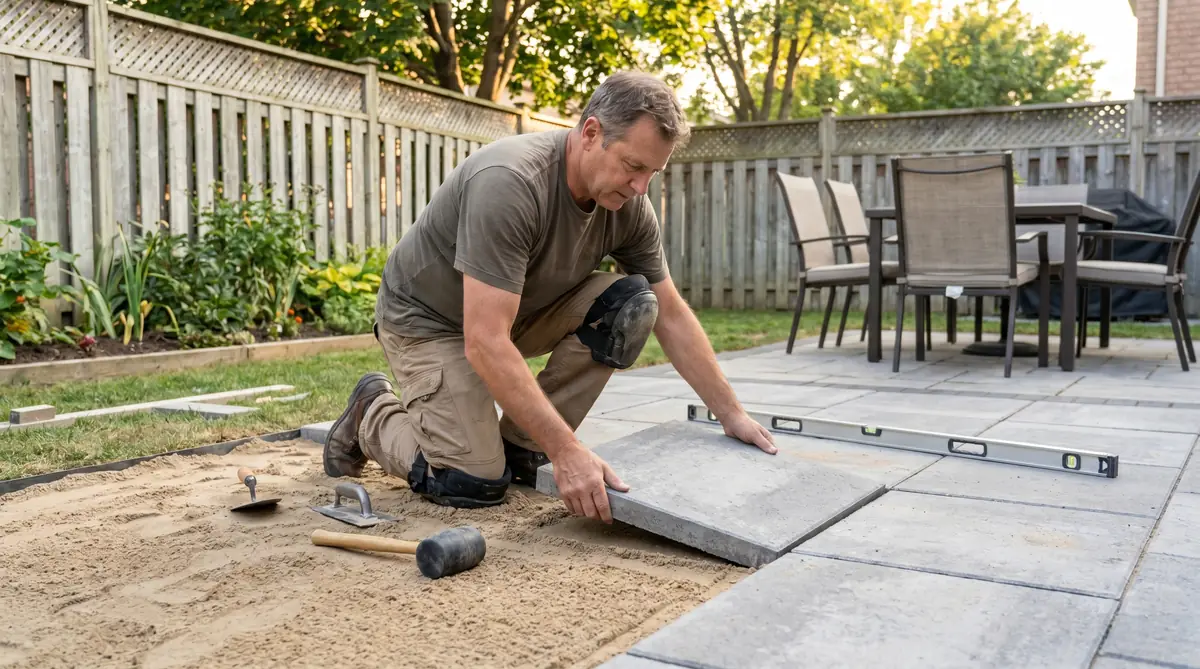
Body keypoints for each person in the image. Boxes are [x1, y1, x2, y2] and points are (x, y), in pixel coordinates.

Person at [322, 70, 776, 523]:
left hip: (513, 313)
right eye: (634, 166)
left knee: (631, 304)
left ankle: (524, 446)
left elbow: (671, 314)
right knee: (471, 482)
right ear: (591, 132)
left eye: (652, 173)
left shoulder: (629, 205)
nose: (641, 187)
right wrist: (569, 450)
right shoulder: (510, 183)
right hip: (429, 322)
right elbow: (485, 340)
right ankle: (372, 413)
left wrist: (730, 413)